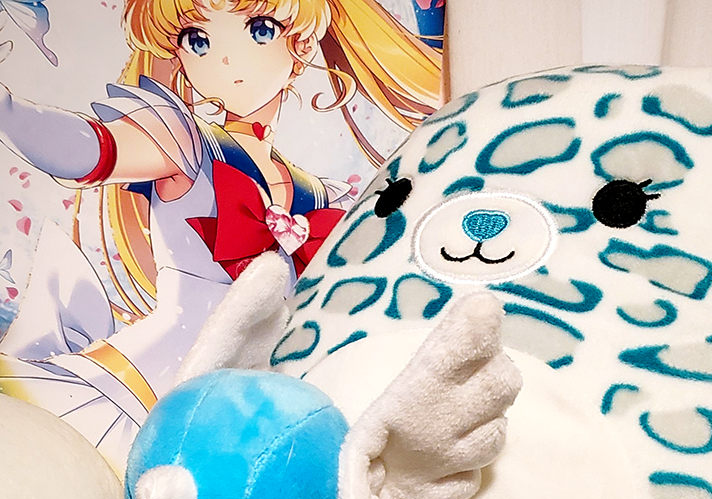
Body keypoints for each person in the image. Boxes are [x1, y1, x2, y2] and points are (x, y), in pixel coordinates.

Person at [0, 0, 441, 474]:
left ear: (301, 42)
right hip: (130, 392)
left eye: (260, 30)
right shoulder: (183, 139)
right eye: (198, 40)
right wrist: (8, 112)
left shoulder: (318, 196)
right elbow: (89, 149)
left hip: (224, 430)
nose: (227, 59)